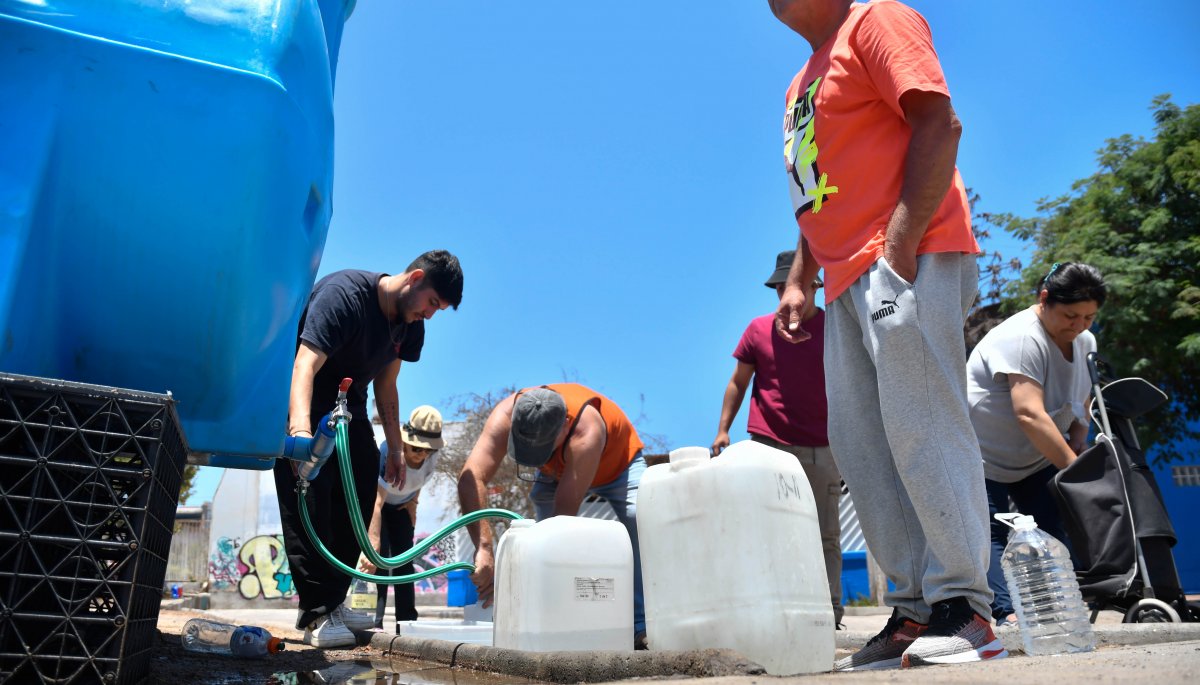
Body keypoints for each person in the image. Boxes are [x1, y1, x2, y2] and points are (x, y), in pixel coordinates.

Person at [767, 0, 1005, 670]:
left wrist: (897, 250)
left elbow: (939, 121)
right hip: (843, 276)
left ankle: (968, 608)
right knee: (862, 445)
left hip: (906, 252)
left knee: (922, 421)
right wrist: (800, 276)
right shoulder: (799, 82)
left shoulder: (877, 20)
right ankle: (914, 610)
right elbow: (818, 189)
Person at [273, 250, 463, 648]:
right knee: (310, 498)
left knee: (360, 495)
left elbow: (386, 386)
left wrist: (394, 449)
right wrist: (300, 435)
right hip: (303, 401)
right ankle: (317, 611)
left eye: (438, 310)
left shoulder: (409, 326)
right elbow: (304, 364)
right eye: (432, 303)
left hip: (350, 406)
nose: (430, 315)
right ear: (413, 278)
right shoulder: (344, 296)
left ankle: (332, 602)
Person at [967, 262, 1106, 626]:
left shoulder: (1085, 340)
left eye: (1089, 317)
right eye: (1070, 315)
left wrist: (1079, 444)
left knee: (1054, 526)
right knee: (992, 532)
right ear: (1044, 299)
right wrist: (1077, 472)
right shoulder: (1023, 337)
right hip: (981, 456)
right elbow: (1029, 413)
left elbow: (1081, 404)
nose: (1079, 325)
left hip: (1034, 454)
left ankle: (1056, 608)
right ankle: (1006, 615)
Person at [457, 383, 648, 646]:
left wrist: (531, 569)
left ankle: (640, 624)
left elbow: (562, 525)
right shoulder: (506, 414)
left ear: (565, 426)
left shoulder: (586, 431)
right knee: (543, 553)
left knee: (640, 518)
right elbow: (470, 478)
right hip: (555, 470)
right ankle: (545, 620)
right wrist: (485, 548)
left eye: (539, 450)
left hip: (619, 465)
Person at [711, 249, 844, 625]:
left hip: (823, 445)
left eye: (795, 285)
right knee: (767, 529)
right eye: (780, 288)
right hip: (768, 444)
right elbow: (738, 383)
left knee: (825, 534)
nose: (787, 295)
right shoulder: (758, 330)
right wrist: (722, 429)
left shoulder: (836, 327)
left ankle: (830, 610)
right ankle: (769, 607)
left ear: (815, 285)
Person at [357, 405, 447, 632]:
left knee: (404, 564)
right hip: (378, 505)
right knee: (378, 561)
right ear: (406, 440)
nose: (422, 454)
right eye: (417, 448)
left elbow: (419, 482)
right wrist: (372, 542)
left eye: (429, 449)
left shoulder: (430, 458)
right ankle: (374, 622)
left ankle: (406, 624)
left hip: (402, 507)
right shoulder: (389, 452)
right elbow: (377, 501)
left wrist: (413, 504)